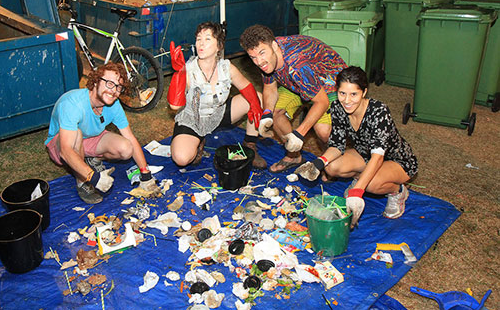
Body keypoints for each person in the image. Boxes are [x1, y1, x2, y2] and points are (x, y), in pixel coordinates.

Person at [298, 66, 418, 227]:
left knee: (371, 184)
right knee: (332, 167)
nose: (347, 100)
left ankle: (397, 191)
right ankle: (363, 179)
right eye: (342, 93)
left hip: (397, 160)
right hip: (364, 153)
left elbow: (378, 157)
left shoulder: (379, 111)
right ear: (337, 91)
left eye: (353, 94)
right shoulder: (338, 108)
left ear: (364, 92)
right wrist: (318, 163)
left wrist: (357, 191)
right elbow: (337, 145)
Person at [239, 24, 348, 173]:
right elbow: (270, 87)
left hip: (330, 85)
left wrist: (299, 134)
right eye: (253, 57)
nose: (259, 62)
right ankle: (294, 156)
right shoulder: (267, 56)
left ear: (275, 46)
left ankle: (333, 161)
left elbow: (321, 101)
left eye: (262, 53)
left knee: (322, 131)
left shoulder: (297, 64)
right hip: (297, 83)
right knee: (276, 114)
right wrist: (267, 113)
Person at [45, 63, 156, 204]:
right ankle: (82, 183)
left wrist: (145, 173)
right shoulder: (72, 103)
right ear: (96, 81)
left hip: (90, 138)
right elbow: (66, 151)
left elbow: (130, 138)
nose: (113, 91)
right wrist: (92, 177)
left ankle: (88, 158)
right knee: (77, 134)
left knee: (126, 148)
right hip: (61, 144)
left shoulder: (114, 105)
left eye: (118, 87)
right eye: (109, 84)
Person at [168, 21, 266, 169]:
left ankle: (250, 145)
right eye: (199, 39)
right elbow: (174, 106)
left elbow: (247, 87)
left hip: (217, 114)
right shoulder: (188, 70)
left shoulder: (227, 68)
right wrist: (179, 74)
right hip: (193, 119)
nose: (201, 43)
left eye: (207, 39)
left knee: (257, 97)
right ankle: (198, 141)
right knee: (181, 159)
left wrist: (255, 106)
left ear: (219, 46)